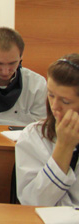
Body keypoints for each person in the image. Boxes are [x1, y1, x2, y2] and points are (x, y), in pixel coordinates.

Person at [15, 54, 79, 207]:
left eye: (65, 101)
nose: (54, 106)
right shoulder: (34, 135)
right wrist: (64, 147)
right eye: (51, 95)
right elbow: (32, 202)